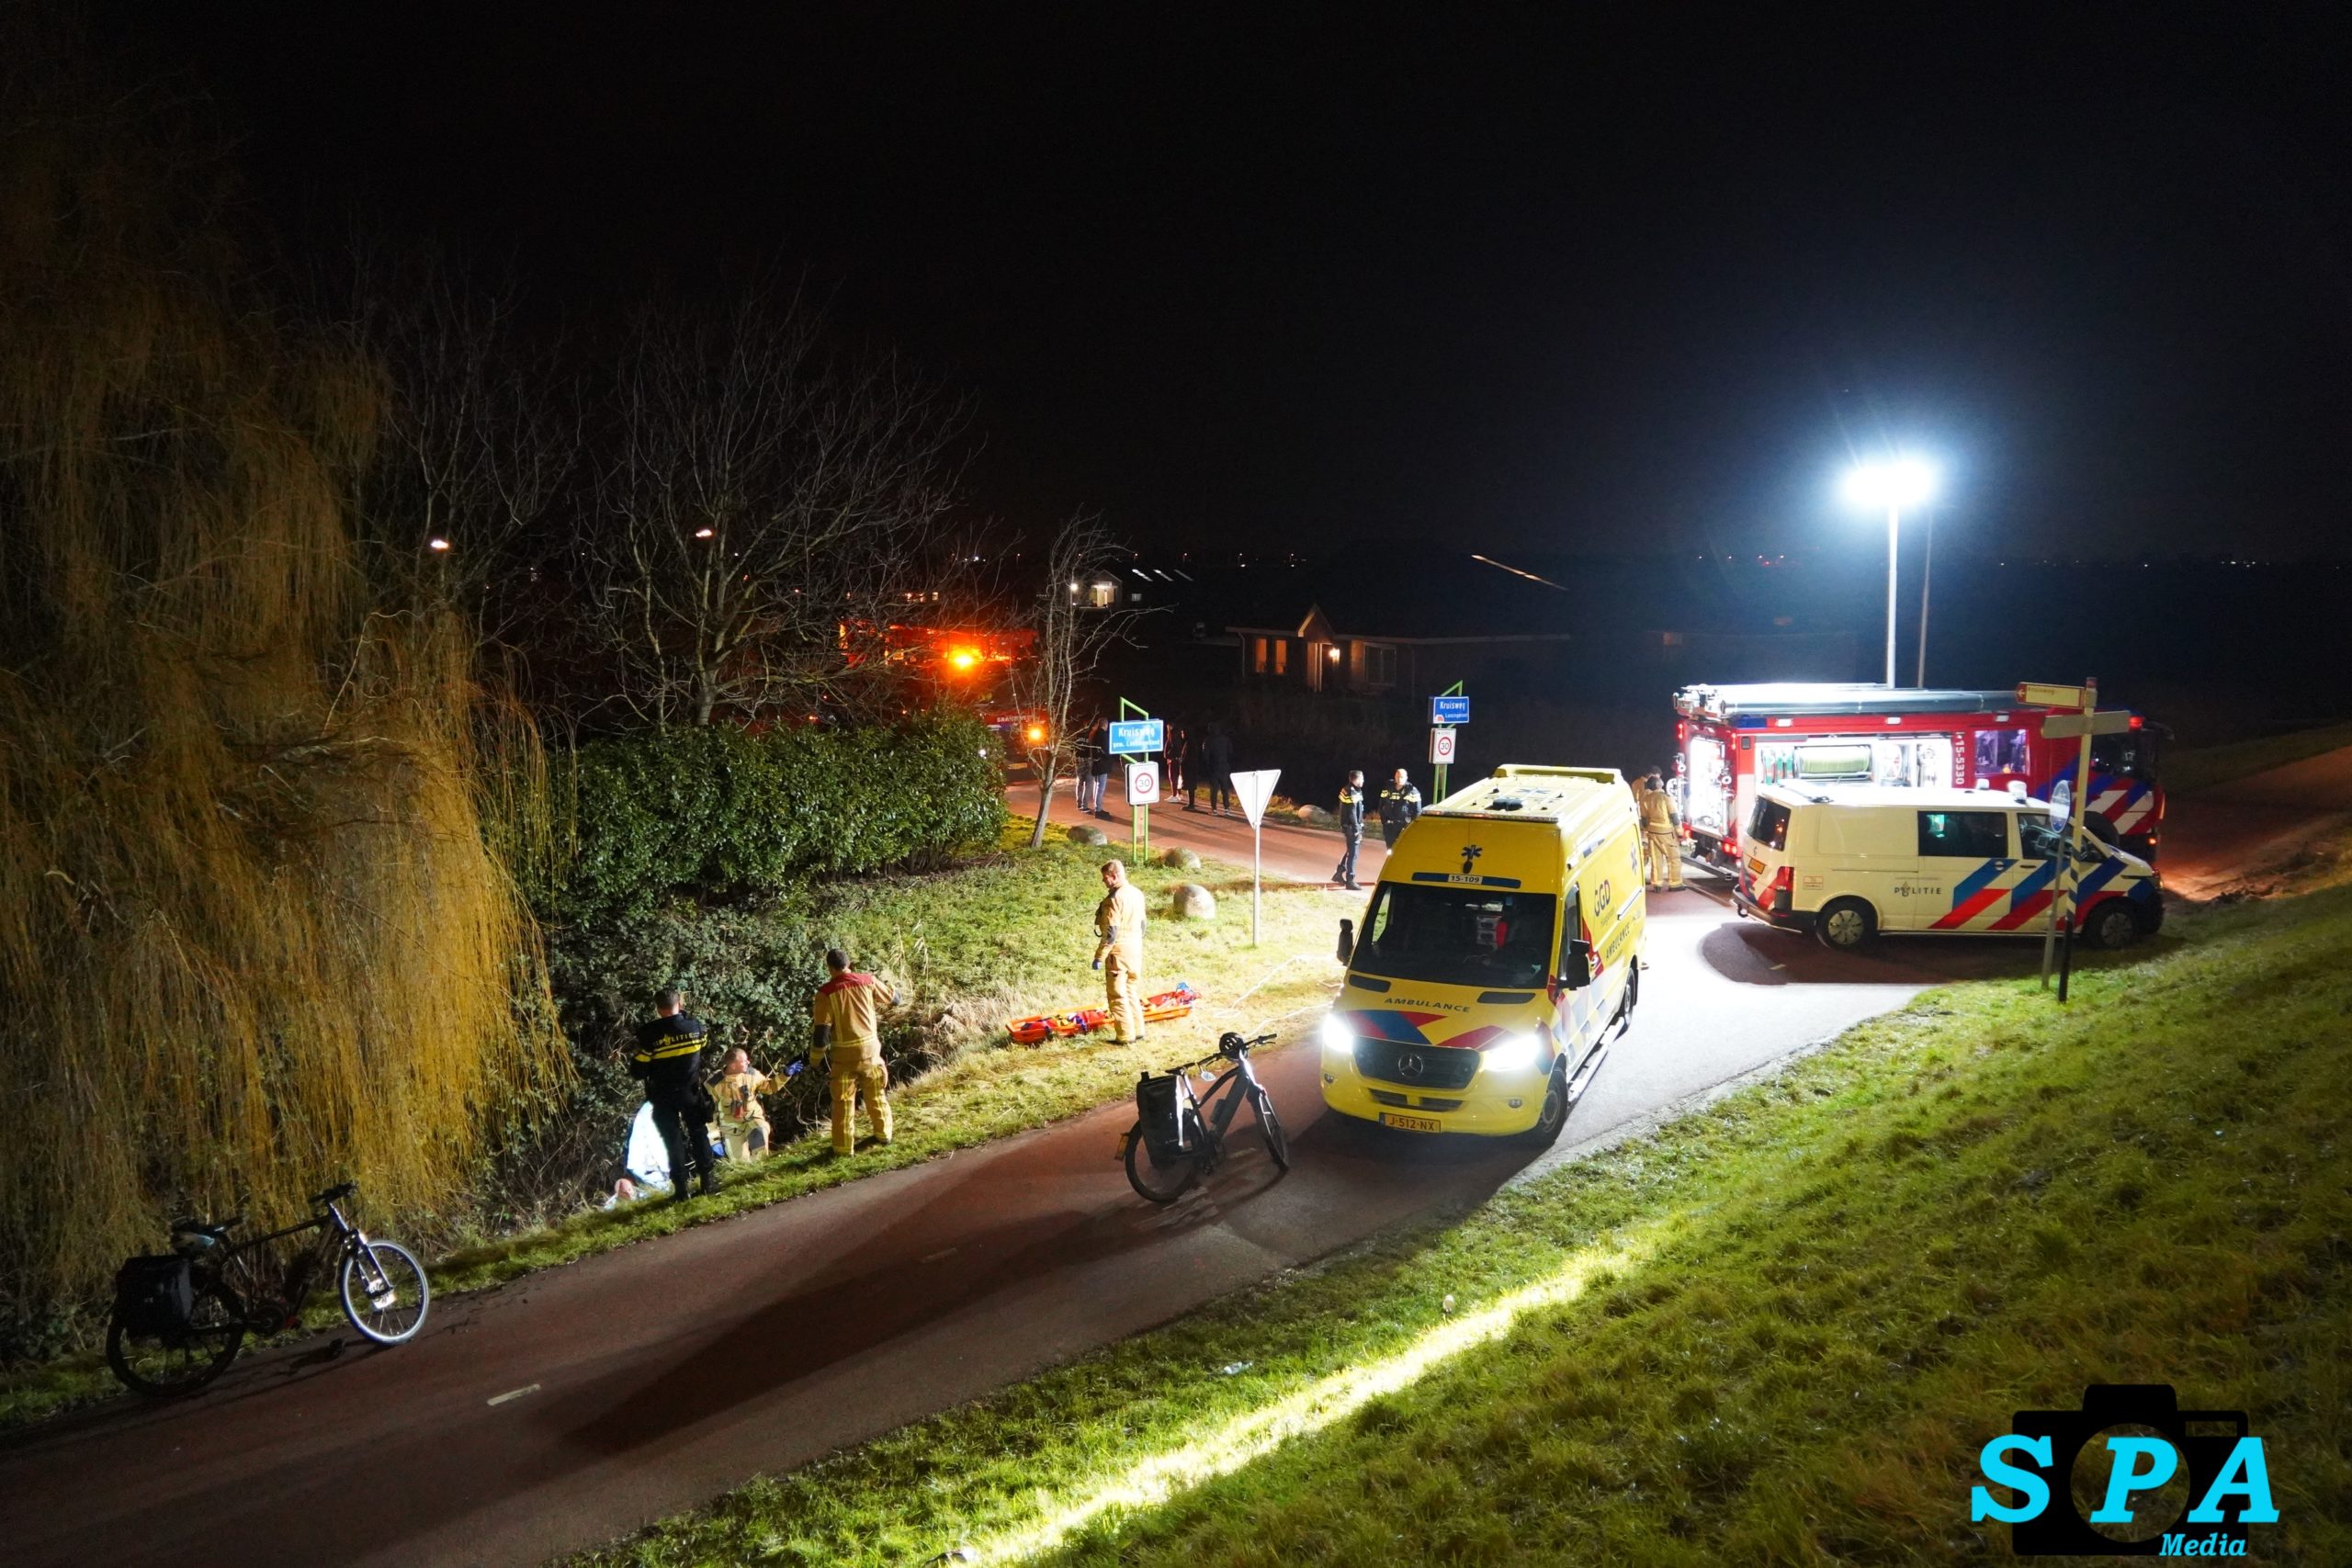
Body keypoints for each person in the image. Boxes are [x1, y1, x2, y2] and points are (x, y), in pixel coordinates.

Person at [630, 988, 718, 1201]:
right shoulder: (697, 1028)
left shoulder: (649, 1035)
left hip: (663, 1095)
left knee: (672, 1140)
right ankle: (708, 1182)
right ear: (679, 1003)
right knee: (698, 1133)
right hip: (691, 1091)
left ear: (658, 1009)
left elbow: (637, 1070)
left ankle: (681, 1190)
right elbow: (703, 1044)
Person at [810, 948, 897, 1156]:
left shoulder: (825, 994)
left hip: (843, 1059)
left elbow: (821, 1034)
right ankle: (884, 1135)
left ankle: (842, 1148)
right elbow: (895, 999)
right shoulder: (867, 981)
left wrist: (816, 1059)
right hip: (870, 1053)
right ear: (849, 964)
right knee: (876, 1095)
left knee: (842, 1103)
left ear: (830, 969)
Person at [1091, 858, 1148, 1043]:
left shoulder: (1114, 900)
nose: (1104, 882)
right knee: (1131, 990)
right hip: (1135, 949)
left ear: (1114, 876)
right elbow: (1143, 924)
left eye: (1105, 878)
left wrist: (1100, 957)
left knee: (1117, 995)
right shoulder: (1137, 893)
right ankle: (1139, 1029)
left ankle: (1124, 1035)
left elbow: (1111, 933)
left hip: (1118, 953)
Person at [712, 1048, 778, 1163]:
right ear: (733, 1065)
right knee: (739, 1164)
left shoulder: (752, 1074)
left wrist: (786, 1074)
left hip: (752, 1119)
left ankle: (763, 1172)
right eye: (744, 1061)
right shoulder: (714, 1084)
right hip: (731, 1129)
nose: (748, 1062)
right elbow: (708, 1112)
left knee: (759, 1133)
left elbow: (770, 1087)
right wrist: (714, 1140)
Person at [1636, 769, 1685, 890]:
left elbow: (1643, 819)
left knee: (1656, 859)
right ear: (1659, 784)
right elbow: (1674, 816)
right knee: (1673, 858)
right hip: (1666, 833)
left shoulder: (1645, 799)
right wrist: (1680, 832)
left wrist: (1646, 831)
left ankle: (1657, 884)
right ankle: (1675, 884)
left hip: (1652, 833)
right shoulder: (1666, 798)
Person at [1333, 769, 1367, 889]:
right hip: (1352, 827)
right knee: (1353, 853)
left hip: (1349, 826)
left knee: (1350, 850)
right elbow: (1352, 813)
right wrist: (1357, 828)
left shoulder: (1350, 790)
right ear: (1356, 779)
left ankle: (1339, 872)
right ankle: (1350, 880)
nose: (1363, 780)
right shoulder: (1352, 792)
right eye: (1362, 778)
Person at [1377, 768, 1422, 847]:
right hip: (1390, 826)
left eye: (1402, 777)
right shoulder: (1387, 790)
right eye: (1397, 776)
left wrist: (1411, 825)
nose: (1399, 779)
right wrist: (1384, 821)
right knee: (1390, 850)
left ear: (1406, 778)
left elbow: (1417, 811)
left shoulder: (1412, 792)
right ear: (1395, 776)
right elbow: (1381, 806)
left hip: (1404, 826)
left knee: (1403, 848)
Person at [1200, 722, 1235, 816]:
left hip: (1213, 768)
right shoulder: (1226, 739)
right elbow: (1230, 752)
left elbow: (1205, 755)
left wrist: (1206, 766)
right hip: (1224, 767)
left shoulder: (1208, 740)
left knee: (1214, 789)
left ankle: (1214, 809)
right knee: (1225, 789)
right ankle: (1227, 808)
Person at [1072, 719, 1104, 816]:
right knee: (1089, 784)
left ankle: (1079, 804)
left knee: (1080, 783)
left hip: (1078, 761)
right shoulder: (1092, 736)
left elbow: (1073, 748)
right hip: (1088, 761)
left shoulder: (1078, 735)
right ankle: (1084, 806)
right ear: (1093, 727)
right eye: (1095, 727)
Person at [1087, 719, 1115, 819]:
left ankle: (1097, 808)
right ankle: (1098, 810)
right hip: (1102, 765)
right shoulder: (1102, 735)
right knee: (1100, 788)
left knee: (1097, 786)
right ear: (1106, 725)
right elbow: (1106, 750)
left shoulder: (1094, 734)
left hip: (1096, 764)